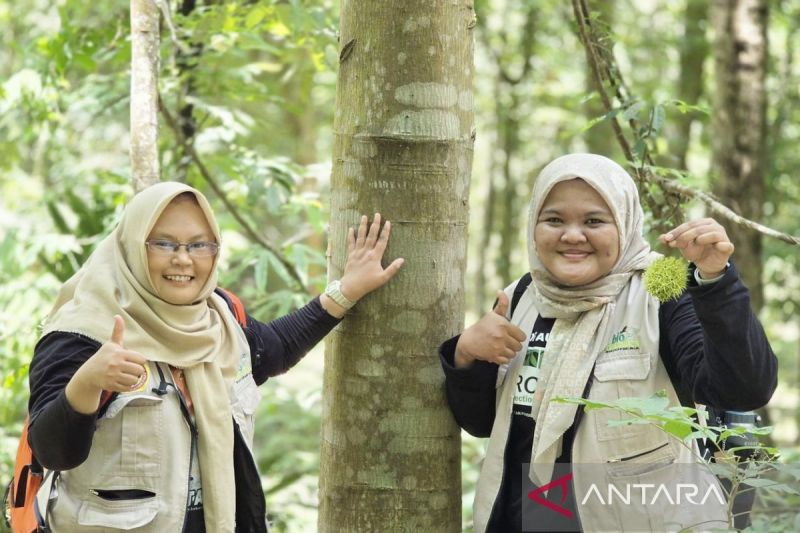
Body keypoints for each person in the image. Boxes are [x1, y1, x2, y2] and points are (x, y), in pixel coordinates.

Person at [27, 181, 403, 532]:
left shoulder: (220, 316)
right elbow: (53, 452)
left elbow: (275, 350)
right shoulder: (83, 333)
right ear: (131, 245)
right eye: (163, 243)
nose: (183, 259)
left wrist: (347, 289)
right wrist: (88, 382)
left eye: (199, 244)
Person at [439, 154, 777, 532]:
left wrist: (717, 282)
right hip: (528, 518)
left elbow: (742, 389)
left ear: (625, 223)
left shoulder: (662, 293)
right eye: (553, 219)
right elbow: (484, 423)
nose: (571, 235)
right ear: (533, 226)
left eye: (594, 221)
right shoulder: (520, 297)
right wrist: (466, 355)